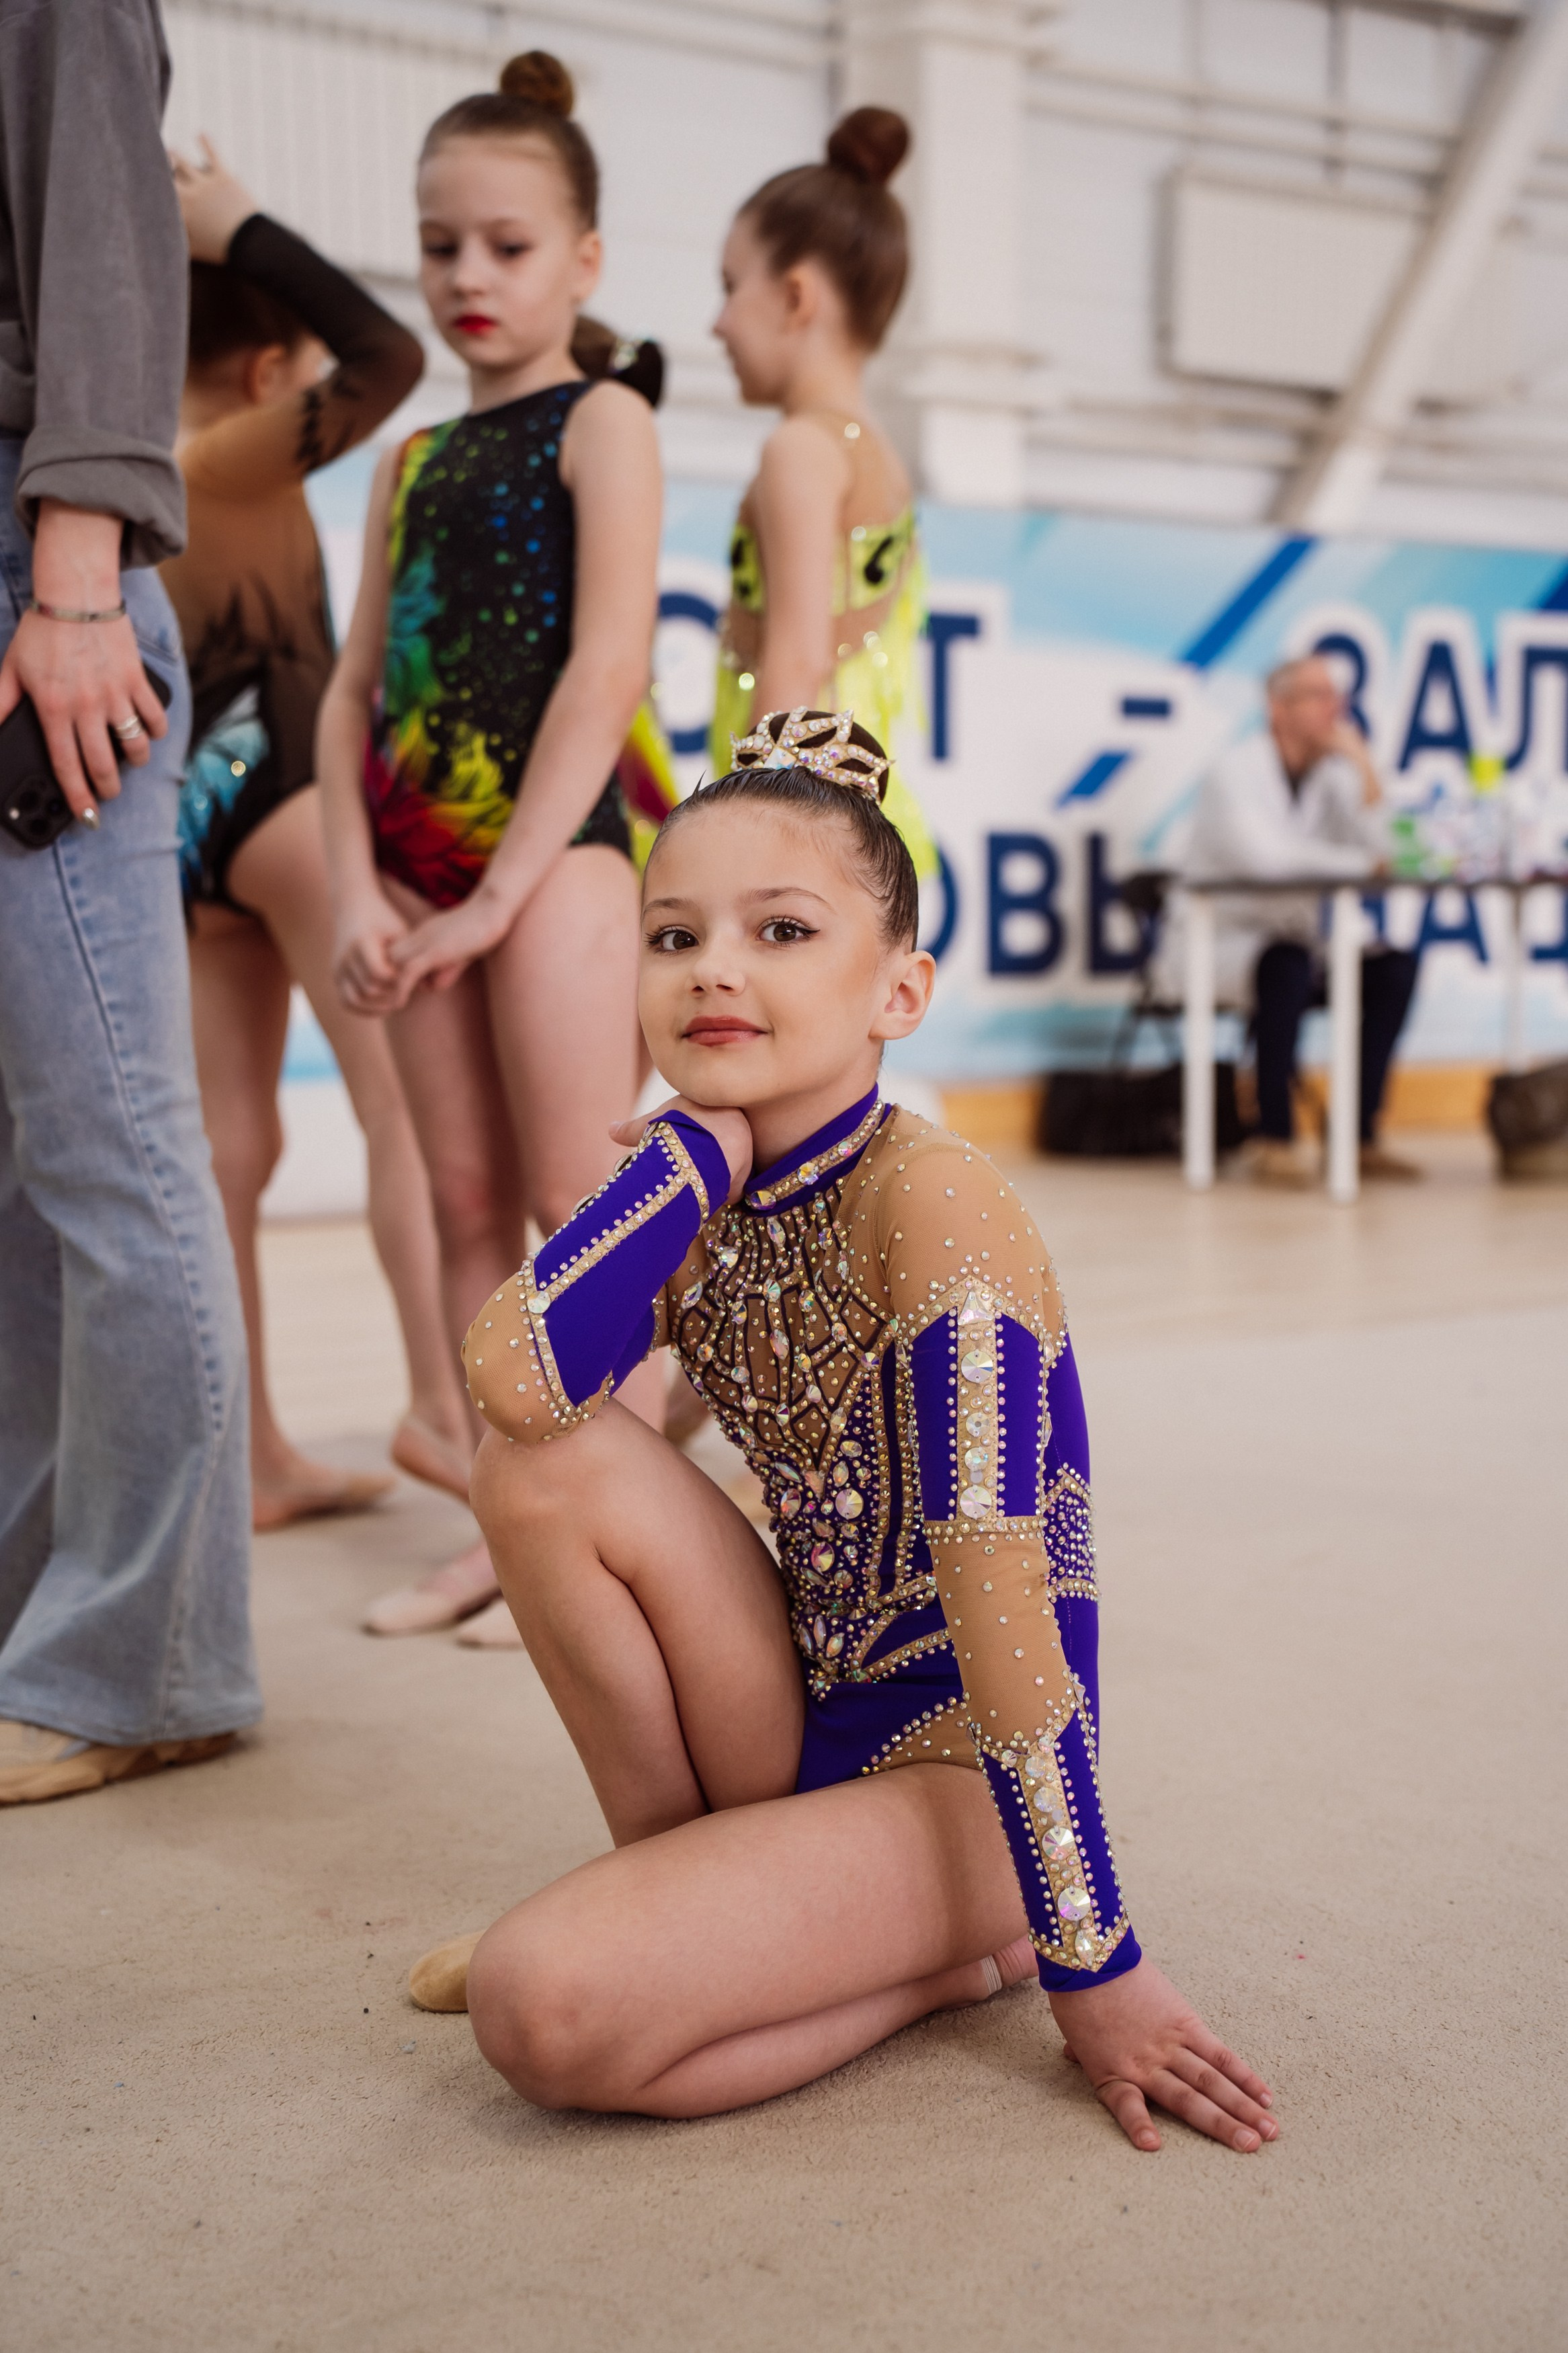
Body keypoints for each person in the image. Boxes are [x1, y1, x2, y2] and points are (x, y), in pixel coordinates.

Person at [403, 707, 1279, 2155]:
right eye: (672, 937)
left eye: (782, 929)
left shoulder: (937, 1209)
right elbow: (511, 1383)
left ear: (899, 990)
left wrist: (1092, 1962)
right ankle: (689, 1890)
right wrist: (681, 1158)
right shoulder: (701, 1185)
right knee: (542, 1462)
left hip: (963, 1769)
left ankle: (953, 1957)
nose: (716, 971)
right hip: (800, 1707)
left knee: (540, 2008)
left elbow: (1011, 1620)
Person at [319, 52, 667, 1645]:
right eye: (439, 243)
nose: (468, 276)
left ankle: (620, 1519)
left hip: (556, 870)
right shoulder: (412, 460)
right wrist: (350, 881)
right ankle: (507, 1524)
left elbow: (604, 673)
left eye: (507, 246)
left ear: (584, 260)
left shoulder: (604, 424)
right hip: (413, 871)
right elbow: (350, 693)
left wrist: (499, 900)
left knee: (568, 1211)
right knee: (460, 1204)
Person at [0, 0, 260, 1804]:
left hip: (41, 577)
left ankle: (146, 1659)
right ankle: (50, 1610)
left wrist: (79, 575)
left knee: (114, 1143)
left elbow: (101, 221)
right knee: (29, 1166)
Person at [163, 141, 479, 1532]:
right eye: (295, 376)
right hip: (287, 787)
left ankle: (252, 1458)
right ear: (258, 372)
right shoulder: (225, 453)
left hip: (183, 827)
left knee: (229, 1146)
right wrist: (243, 230)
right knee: (404, 1107)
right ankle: (436, 1404)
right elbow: (388, 355)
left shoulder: (113, 477)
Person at [710, 110, 937, 883]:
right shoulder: (880, 458)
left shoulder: (798, 450)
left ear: (795, 296)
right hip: (858, 817)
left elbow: (800, 657)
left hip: (799, 819)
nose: (718, 323)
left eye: (731, 287)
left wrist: (738, 837)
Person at [1184, 655, 1421, 1187]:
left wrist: (1363, 765)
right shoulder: (1235, 770)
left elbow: (1391, 851)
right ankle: (1274, 1137)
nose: (1333, 707)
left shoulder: (1336, 776)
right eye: (1316, 695)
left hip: (1301, 940)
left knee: (1393, 970)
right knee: (1283, 966)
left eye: (1334, 695)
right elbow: (1267, 860)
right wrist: (1362, 865)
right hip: (1222, 942)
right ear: (1277, 707)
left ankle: (1357, 1136)